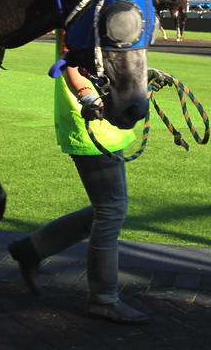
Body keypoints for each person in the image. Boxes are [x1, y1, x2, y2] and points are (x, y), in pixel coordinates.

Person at [8, 27, 150, 324]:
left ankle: (33, 248)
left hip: (109, 120)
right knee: (111, 210)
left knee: (108, 207)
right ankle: (103, 299)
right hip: (90, 120)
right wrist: (88, 98)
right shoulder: (80, 16)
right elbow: (69, 63)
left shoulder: (97, 10)